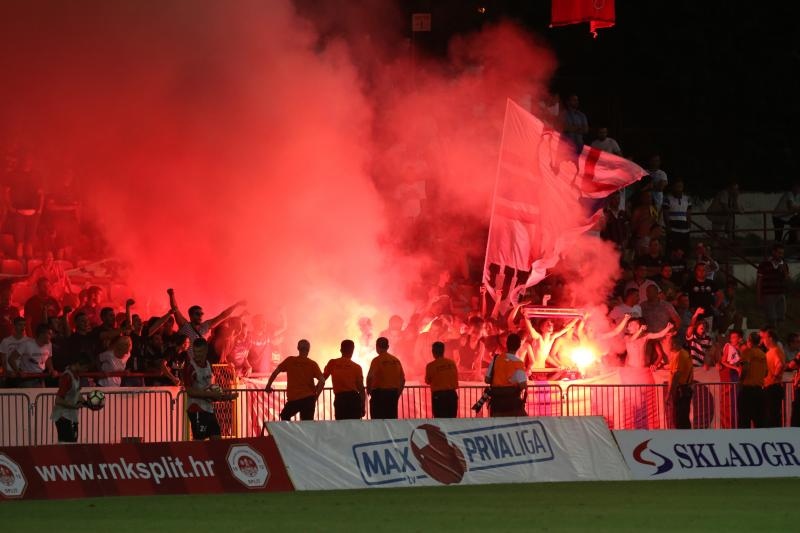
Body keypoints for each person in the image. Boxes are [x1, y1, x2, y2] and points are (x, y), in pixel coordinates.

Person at [167, 288, 246, 358]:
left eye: (201, 314)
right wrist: (172, 294)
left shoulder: (205, 327)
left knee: (217, 367)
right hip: (185, 364)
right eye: (197, 314)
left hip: (200, 365)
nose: (200, 316)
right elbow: (175, 309)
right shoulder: (185, 325)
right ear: (191, 316)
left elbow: (223, 315)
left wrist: (237, 305)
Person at [265, 339, 323, 421]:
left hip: (294, 399)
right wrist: (315, 397)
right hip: (308, 399)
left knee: (285, 416)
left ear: (298, 348)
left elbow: (275, 372)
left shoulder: (290, 360)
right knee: (307, 424)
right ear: (308, 349)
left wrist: (268, 385)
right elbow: (322, 381)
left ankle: (291, 429)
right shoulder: (312, 364)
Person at [316, 339, 365, 420]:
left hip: (340, 399)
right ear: (352, 350)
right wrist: (362, 406)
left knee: (341, 424)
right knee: (355, 425)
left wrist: (315, 393)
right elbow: (361, 388)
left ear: (341, 350)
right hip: (354, 399)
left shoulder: (332, 363)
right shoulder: (357, 367)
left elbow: (322, 379)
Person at [50, 356, 91, 443]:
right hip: (63, 417)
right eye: (85, 367)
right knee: (67, 444)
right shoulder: (67, 377)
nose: (86, 370)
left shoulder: (76, 376)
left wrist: (87, 403)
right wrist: (74, 406)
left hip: (70, 416)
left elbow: (77, 394)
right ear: (78, 364)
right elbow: (58, 400)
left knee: (72, 443)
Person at [485, 333, 527, 417]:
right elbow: (523, 385)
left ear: (506, 344)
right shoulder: (518, 363)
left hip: (496, 403)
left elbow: (487, 380)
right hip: (512, 404)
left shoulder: (496, 359)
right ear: (519, 346)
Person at [366, 337, 405, 419]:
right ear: (387, 347)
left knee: (377, 420)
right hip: (393, 394)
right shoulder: (396, 361)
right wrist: (397, 393)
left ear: (377, 347)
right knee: (391, 420)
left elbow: (370, 377)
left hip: (379, 395)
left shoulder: (376, 360)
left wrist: (369, 390)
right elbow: (402, 379)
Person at [9, 323, 56, 387]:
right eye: (49, 334)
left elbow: (48, 358)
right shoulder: (26, 344)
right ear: (41, 334)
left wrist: (51, 369)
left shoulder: (49, 344)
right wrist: (18, 371)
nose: (51, 336)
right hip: (27, 379)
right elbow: (11, 359)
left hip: (41, 377)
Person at [738, 332, 767, 429]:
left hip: (748, 391)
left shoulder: (747, 352)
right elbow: (766, 372)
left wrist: (741, 380)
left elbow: (745, 367)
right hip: (759, 391)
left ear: (749, 341)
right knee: (759, 423)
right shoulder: (763, 354)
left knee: (744, 421)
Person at [756, 244, 789, 328]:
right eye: (779, 253)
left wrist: (783, 269)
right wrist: (759, 297)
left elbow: (786, 278)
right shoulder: (764, 264)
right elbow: (759, 281)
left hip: (780, 294)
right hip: (768, 294)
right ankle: (772, 333)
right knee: (771, 318)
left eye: (782, 253)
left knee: (781, 317)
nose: (780, 255)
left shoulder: (783, 264)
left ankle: (779, 334)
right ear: (773, 252)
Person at [425, 341, 458, 418]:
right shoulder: (452, 363)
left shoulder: (430, 366)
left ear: (433, 352)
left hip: (439, 396)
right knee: (452, 419)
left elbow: (427, 381)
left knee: (439, 419)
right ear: (443, 351)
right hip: (452, 395)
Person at [667, 335, 693, 429]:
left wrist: (670, 393)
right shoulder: (680, 354)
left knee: (681, 418)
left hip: (682, 390)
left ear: (674, 344)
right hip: (683, 390)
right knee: (682, 417)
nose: (668, 345)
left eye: (669, 343)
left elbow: (676, 375)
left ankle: (682, 436)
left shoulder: (680, 355)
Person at [762, 329, 786, 427]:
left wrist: (774, 377)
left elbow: (780, 365)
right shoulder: (770, 352)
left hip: (773, 387)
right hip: (769, 386)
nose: (763, 341)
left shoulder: (776, 351)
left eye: (764, 338)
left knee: (772, 415)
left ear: (770, 338)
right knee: (769, 415)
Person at [662, 179, 691, 254]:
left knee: (684, 250)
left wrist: (688, 225)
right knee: (672, 250)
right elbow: (665, 213)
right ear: (673, 187)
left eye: (680, 186)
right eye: (677, 186)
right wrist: (668, 226)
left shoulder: (687, 199)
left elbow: (688, 213)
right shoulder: (668, 198)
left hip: (684, 229)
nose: (679, 189)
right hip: (673, 229)